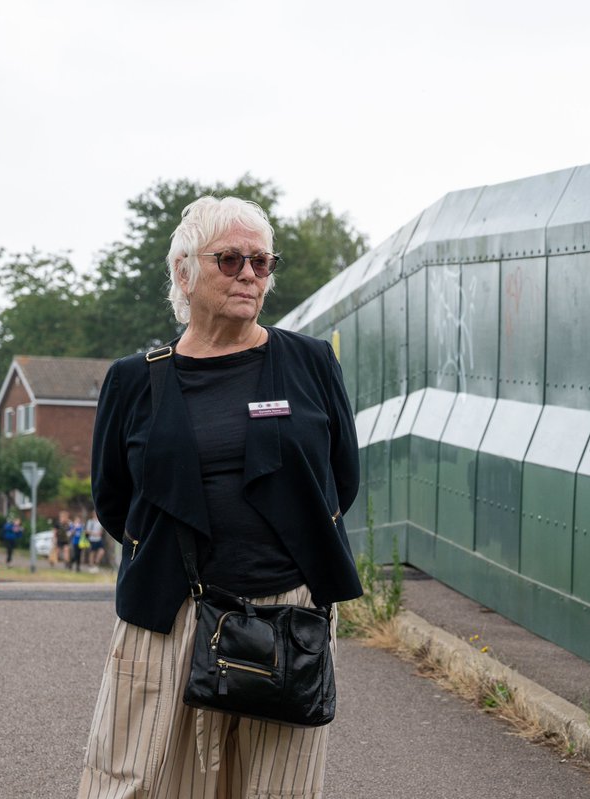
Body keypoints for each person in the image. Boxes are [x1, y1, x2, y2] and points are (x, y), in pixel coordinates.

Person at [78, 196, 360, 799]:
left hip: (289, 615)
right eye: (230, 260)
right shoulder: (135, 380)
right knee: (137, 782)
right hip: (168, 617)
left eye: (262, 262)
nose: (251, 275)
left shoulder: (309, 362)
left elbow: (342, 478)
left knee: (274, 790)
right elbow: (114, 500)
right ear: (183, 272)